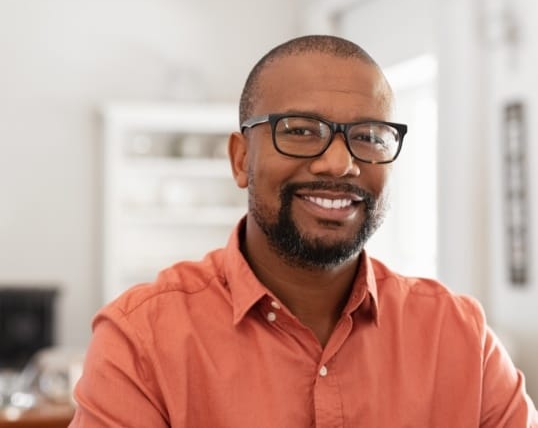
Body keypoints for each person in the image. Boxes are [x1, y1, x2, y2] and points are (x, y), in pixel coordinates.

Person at [69, 34, 538, 427]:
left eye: (369, 136)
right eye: (299, 130)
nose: (339, 162)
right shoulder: (142, 341)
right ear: (240, 160)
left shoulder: (458, 338)